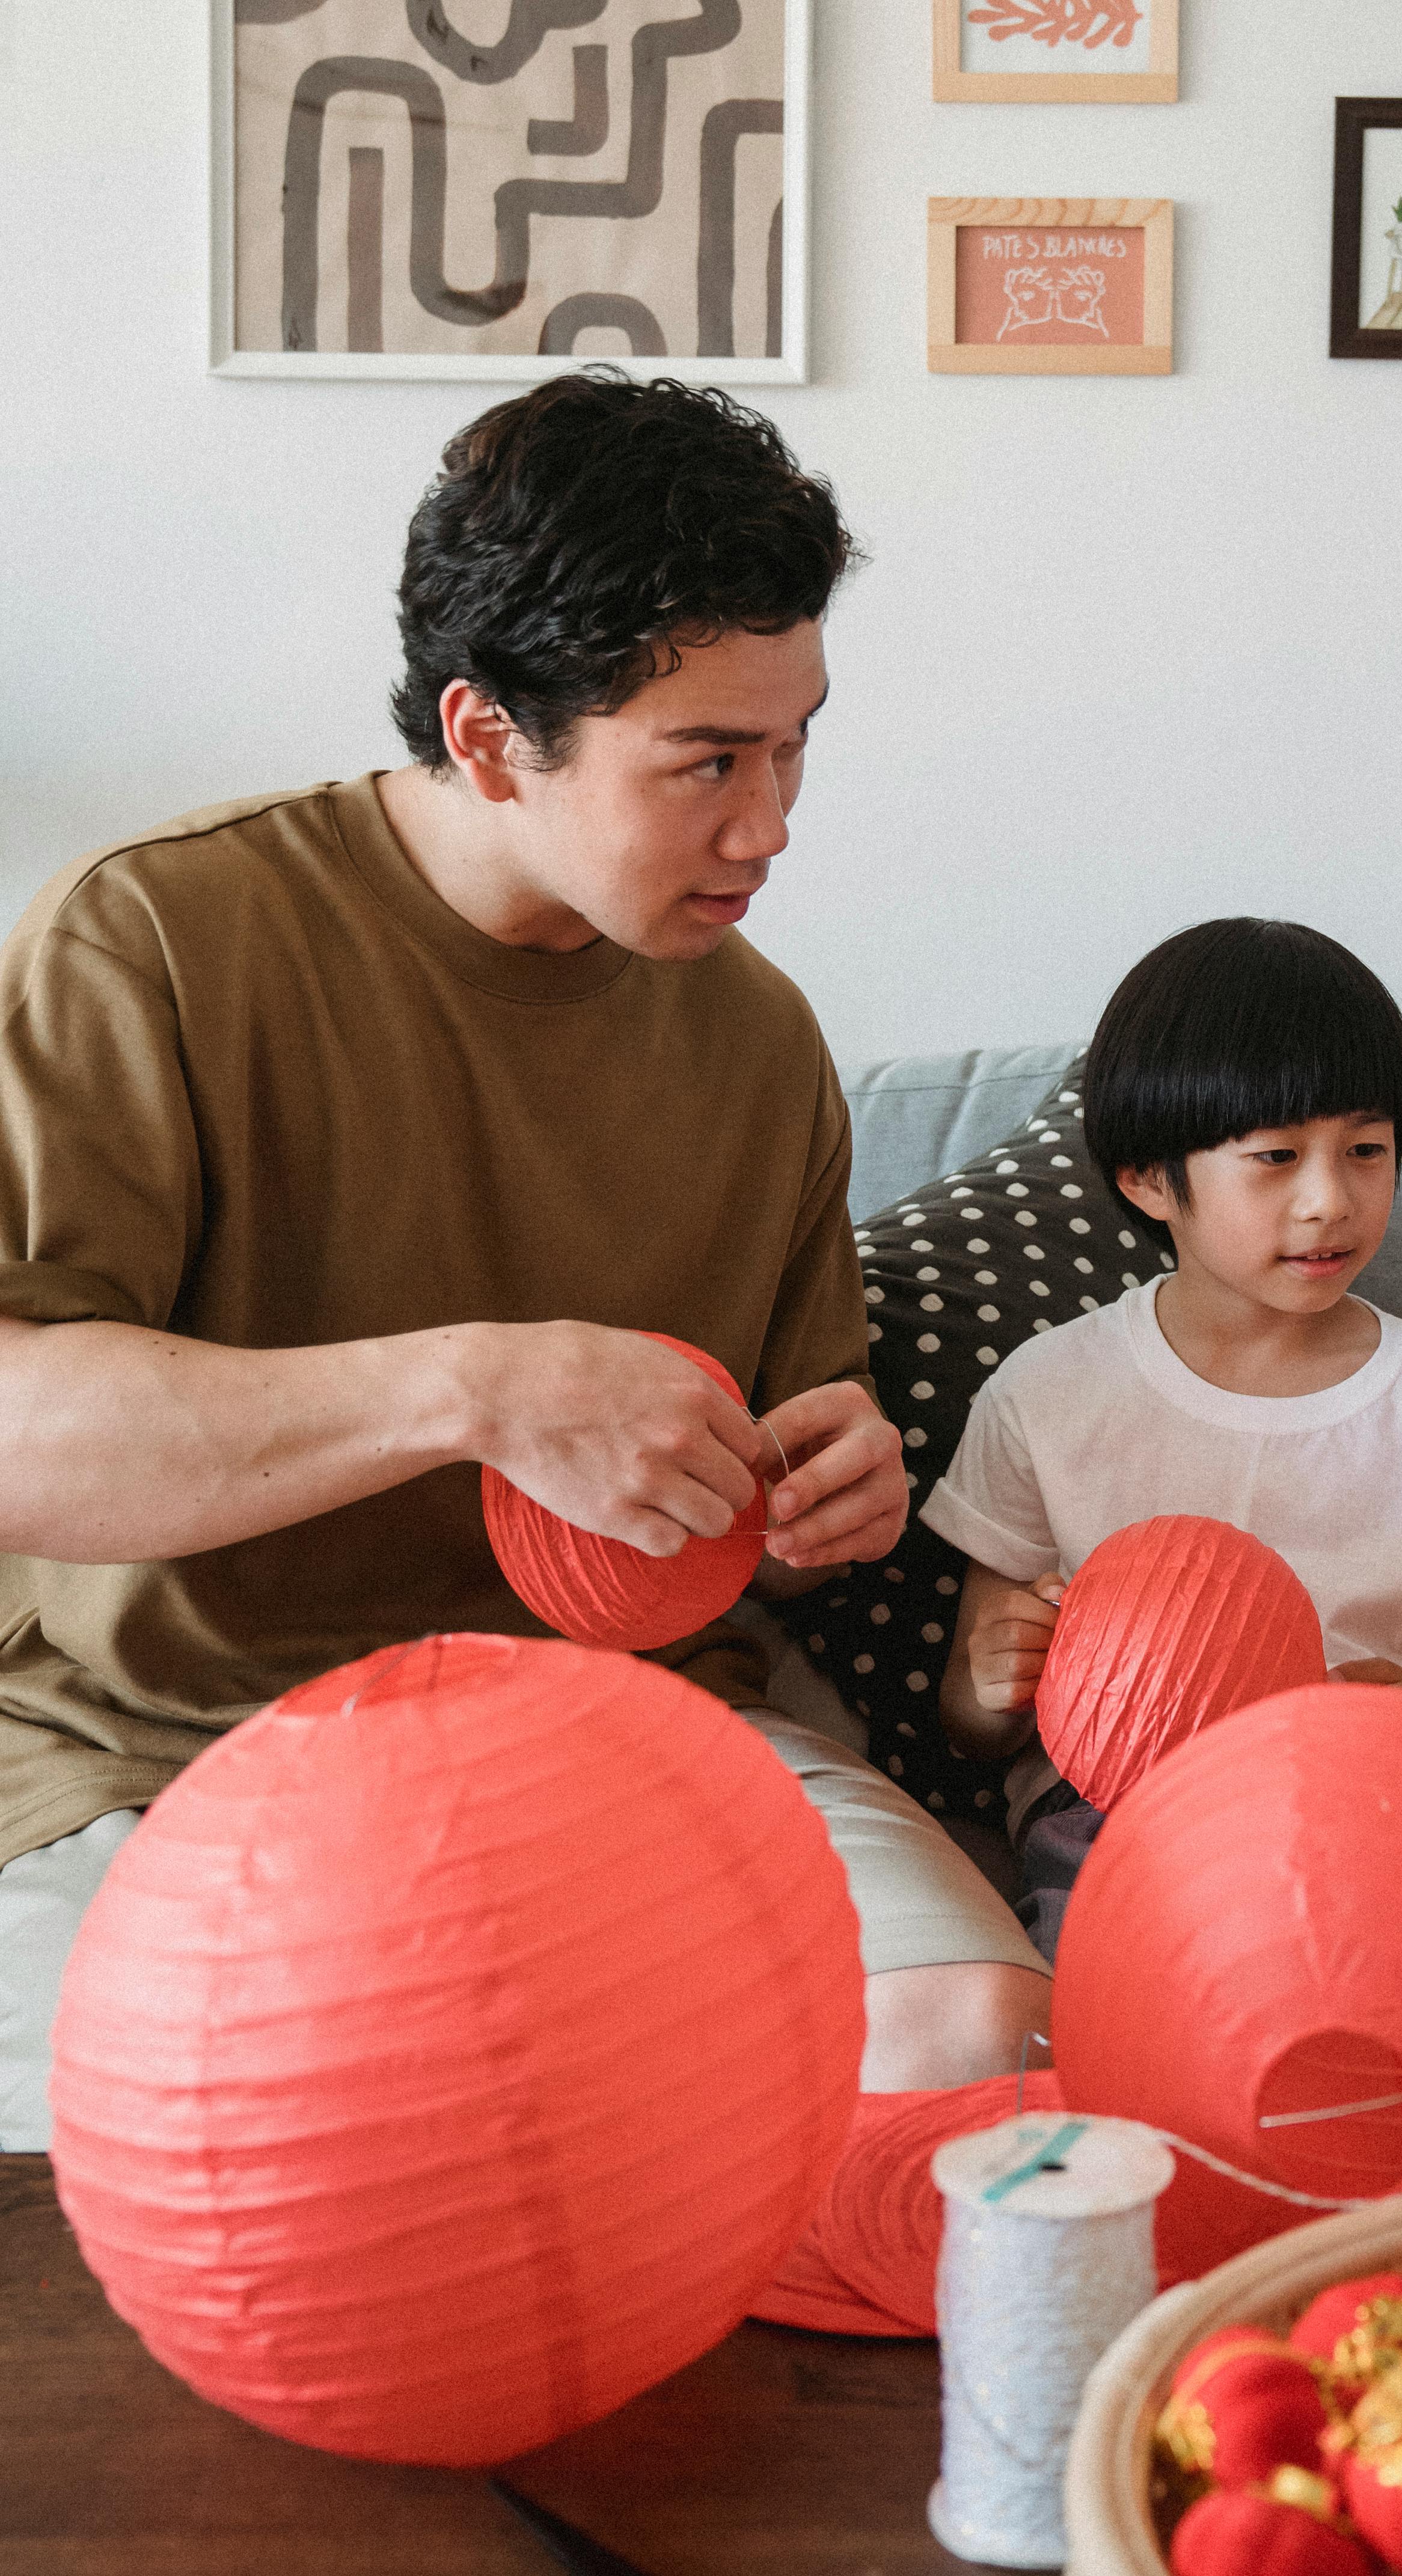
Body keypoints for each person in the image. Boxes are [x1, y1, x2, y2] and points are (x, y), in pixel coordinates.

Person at [0, 374, 1050, 2147]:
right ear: (492, 740)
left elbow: (774, 1492)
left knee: (973, 2041)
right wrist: (474, 1388)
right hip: (181, 1746)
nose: (772, 821)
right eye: (708, 759)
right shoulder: (156, 939)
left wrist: (825, 1491)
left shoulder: (757, 1039)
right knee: (232, 2139)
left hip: (641, 1735)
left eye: (795, 743)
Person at [926, 918, 1402, 1952]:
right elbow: (971, 1723)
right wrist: (993, 1685)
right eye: (1274, 1158)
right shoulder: (1049, 1394)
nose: (1330, 1200)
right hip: (1122, 1820)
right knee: (1144, 1991)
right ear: (1150, 1181)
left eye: (1367, 1150)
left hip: (1373, 1809)